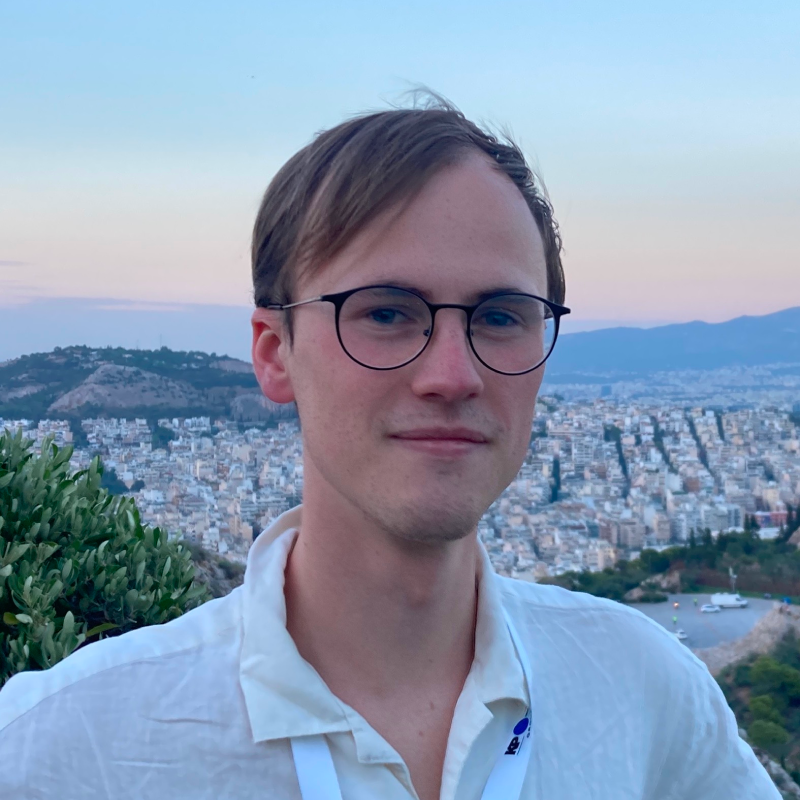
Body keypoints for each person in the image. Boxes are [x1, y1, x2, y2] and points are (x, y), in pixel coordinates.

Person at [0, 95, 778, 799]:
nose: (452, 374)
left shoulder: (646, 692)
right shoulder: (63, 748)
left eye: (502, 316)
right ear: (275, 354)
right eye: (384, 312)